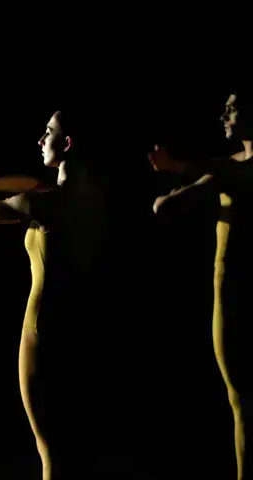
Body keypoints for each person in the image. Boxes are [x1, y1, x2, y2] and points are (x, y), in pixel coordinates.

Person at [0, 105, 134, 479]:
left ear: (67, 143)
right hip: (89, 333)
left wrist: (0, 200)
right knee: (80, 451)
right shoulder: (97, 198)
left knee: (51, 452)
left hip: (44, 334)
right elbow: (33, 183)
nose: (40, 140)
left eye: (48, 132)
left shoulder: (45, 204)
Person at [149, 87, 253, 480]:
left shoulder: (236, 170)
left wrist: (173, 189)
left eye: (233, 108)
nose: (224, 115)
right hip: (233, 291)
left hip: (236, 294)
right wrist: (177, 167)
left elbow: (203, 183)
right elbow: (218, 165)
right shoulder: (233, 164)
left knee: (241, 399)